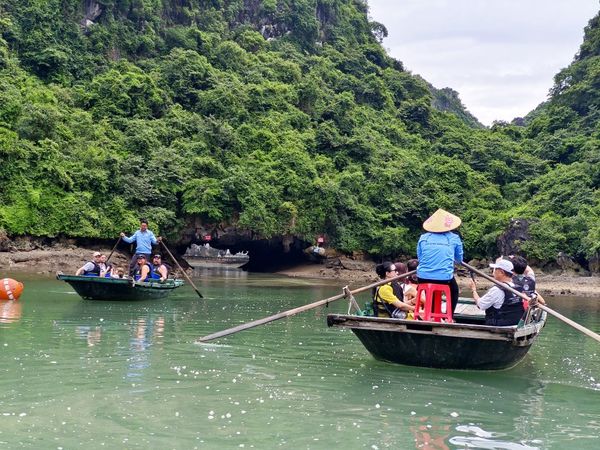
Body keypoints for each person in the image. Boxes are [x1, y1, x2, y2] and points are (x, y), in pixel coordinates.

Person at [416, 209, 463, 314]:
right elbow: (459, 259)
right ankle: (449, 315)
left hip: (422, 277)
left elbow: (420, 258)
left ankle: (431, 315)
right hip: (444, 277)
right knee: (454, 290)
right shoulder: (454, 238)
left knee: (431, 291)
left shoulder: (423, 237)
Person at [468, 258, 525, 326]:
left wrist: (473, 290)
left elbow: (480, 305)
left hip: (498, 326)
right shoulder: (517, 287)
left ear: (501, 272)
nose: (493, 271)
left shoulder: (497, 290)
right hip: (514, 323)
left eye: (495, 269)